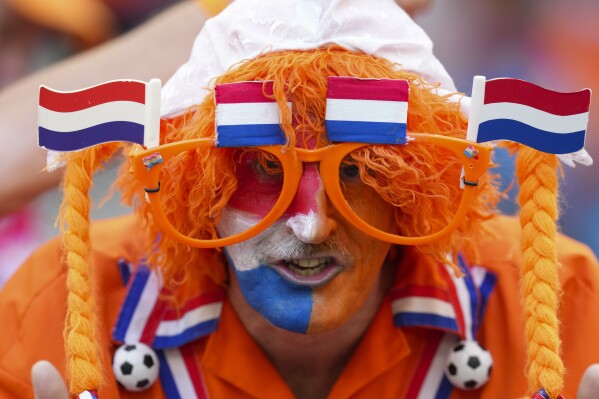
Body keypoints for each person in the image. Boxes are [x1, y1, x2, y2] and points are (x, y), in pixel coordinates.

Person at [0, 1, 598, 399]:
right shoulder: (60, 303)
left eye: (360, 168)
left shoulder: (560, 298)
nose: (311, 225)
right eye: (265, 166)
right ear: (191, 183)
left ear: (418, 186)